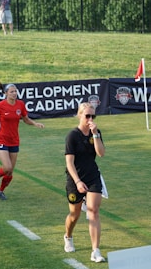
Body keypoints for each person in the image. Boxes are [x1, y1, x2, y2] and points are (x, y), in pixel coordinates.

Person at [63, 102, 106, 263]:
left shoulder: (96, 132)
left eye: (92, 116)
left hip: (92, 176)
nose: (90, 118)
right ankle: (68, 236)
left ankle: (95, 250)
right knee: (74, 215)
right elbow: (69, 163)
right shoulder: (72, 135)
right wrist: (78, 181)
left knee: (93, 211)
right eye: (87, 115)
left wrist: (95, 134)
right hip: (75, 178)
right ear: (79, 115)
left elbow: (101, 154)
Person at [0, 83, 44, 200]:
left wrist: (35, 123)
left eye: (15, 91)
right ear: (6, 93)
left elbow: (25, 119)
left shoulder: (20, 104)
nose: (14, 93)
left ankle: (0, 191)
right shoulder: (0, 105)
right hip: (1, 139)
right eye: (11, 92)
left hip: (14, 140)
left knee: (10, 172)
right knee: (6, 167)